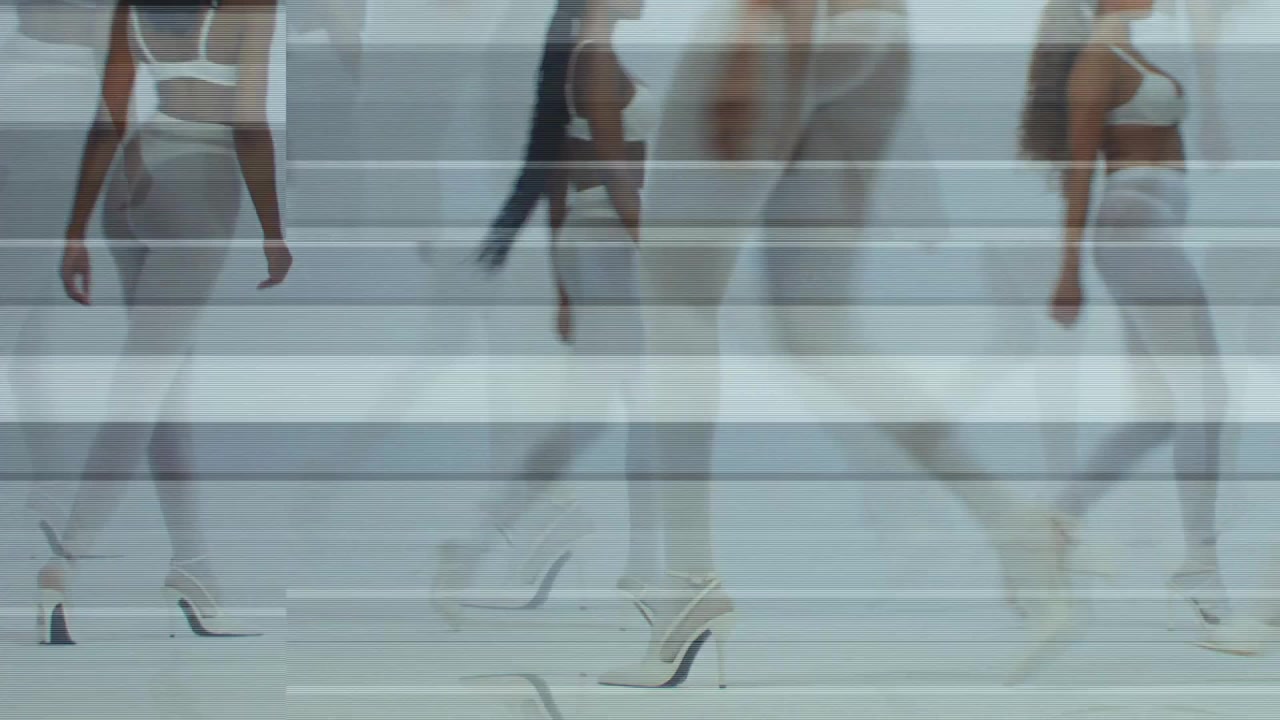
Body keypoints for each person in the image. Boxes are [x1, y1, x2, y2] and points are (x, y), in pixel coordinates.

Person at [597, 0, 1078, 689]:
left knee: (677, 304)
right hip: (876, 31)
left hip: (780, 25)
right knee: (816, 328)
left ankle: (689, 584)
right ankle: (1017, 527)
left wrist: (761, 30)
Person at [34, 0, 291, 645]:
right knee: (147, 383)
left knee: (160, 384)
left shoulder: (135, 6)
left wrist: (75, 230)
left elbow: (111, 117)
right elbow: (249, 122)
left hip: (132, 182)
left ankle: (193, 568)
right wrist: (273, 229)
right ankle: (66, 560)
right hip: (198, 188)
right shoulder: (252, 9)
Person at [431, 0, 662, 628]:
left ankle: (477, 546)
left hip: (597, 246)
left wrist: (565, 284)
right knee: (641, 412)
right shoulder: (594, 59)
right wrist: (660, 253)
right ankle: (645, 570)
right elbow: (613, 172)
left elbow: (560, 169)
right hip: (611, 245)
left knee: (600, 414)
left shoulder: (585, 57)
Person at [1023, 0, 1231, 632]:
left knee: (1163, 410)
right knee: (1206, 394)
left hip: (1152, 230)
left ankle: (1056, 521)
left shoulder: (1129, 53)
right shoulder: (1098, 61)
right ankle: (1199, 563)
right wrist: (1068, 272)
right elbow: (1080, 170)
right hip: (1133, 230)